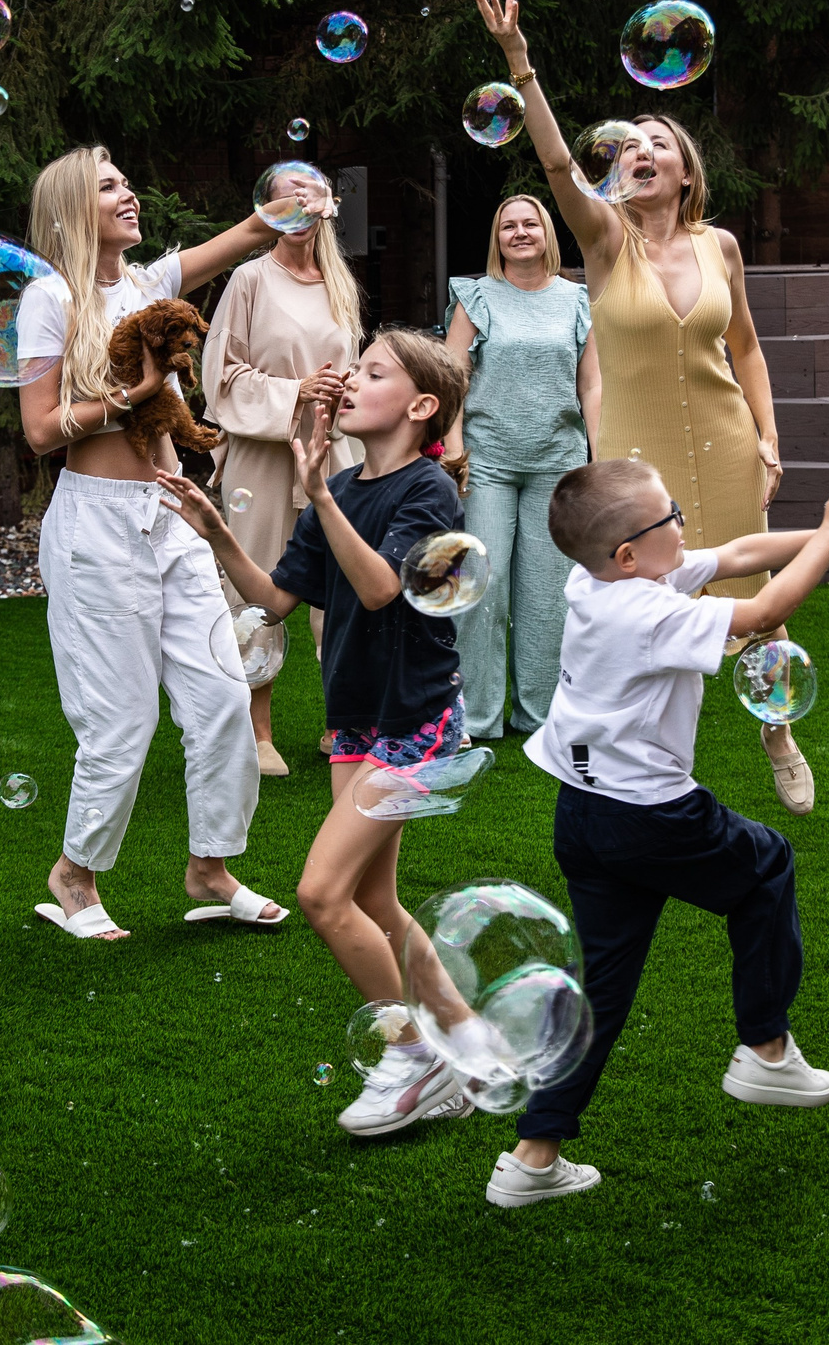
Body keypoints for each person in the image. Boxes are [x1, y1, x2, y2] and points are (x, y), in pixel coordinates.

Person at [483, 453, 829, 1207]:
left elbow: (742, 554)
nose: (681, 523)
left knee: (601, 990)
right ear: (628, 552)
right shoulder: (648, 611)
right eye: (668, 516)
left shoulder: (602, 581)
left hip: (582, 812)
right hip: (648, 814)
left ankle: (533, 1157)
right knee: (768, 863)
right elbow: (764, 610)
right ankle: (765, 1046)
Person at [474, 0, 816, 816]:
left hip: (728, 440)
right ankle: (651, 761)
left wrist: (770, 438)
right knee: (646, 605)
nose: (641, 150)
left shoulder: (719, 245)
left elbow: (747, 349)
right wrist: (519, 60)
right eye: (629, 146)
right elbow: (557, 163)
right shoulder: (601, 239)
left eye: (657, 141)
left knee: (751, 597)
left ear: (685, 169)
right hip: (637, 461)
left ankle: (778, 732)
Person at [159, 329, 478, 1137]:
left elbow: (377, 591)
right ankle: (468, 1040)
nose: (349, 378)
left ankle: (415, 1056)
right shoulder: (333, 483)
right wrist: (217, 532)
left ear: (420, 406)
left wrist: (324, 499)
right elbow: (274, 598)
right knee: (374, 897)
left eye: (373, 371)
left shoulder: (428, 493)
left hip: (414, 721)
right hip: (356, 720)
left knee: (321, 893)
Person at [16, 145, 311, 941]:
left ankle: (210, 868)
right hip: (96, 523)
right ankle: (74, 875)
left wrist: (292, 196)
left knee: (221, 695)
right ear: (74, 208)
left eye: (125, 180)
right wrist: (136, 397)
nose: (129, 193)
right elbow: (41, 429)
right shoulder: (49, 299)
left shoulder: (149, 284)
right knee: (120, 721)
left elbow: (251, 230)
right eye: (109, 185)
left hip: (175, 513)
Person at [199, 167, 365, 777]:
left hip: (331, 450)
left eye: (312, 188)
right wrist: (297, 391)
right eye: (287, 189)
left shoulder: (341, 285)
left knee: (343, 587)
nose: (301, 197)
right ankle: (257, 729)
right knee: (256, 584)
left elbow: (352, 368)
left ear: (329, 205)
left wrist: (348, 393)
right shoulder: (249, 279)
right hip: (264, 456)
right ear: (267, 205)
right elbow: (221, 377)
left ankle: (341, 723)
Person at [443, 194, 602, 742]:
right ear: (497, 239)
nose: (519, 232)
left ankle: (540, 716)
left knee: (547, 596)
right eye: (507, 225)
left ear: (547, 233)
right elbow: (451, 380)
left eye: (529, 223)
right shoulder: (475, 296)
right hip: (486, 461)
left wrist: (597, 458)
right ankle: (475, 717)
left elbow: (592, 385)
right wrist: (453, 447)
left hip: (557, 463)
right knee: (482, 590)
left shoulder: (580, 301)